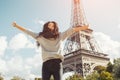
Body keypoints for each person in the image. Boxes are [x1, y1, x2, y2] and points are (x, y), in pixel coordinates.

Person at [12, 21, 88, 80]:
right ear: (46, 26)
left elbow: (72, 30)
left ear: (55, 27)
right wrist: (16, 26)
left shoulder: (60, 36)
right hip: (46, 64)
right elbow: (28, 32)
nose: (51, 26)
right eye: (49, 25)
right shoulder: (40, 37)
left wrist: (84, 27)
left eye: (53, 25)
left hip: (57, 63)